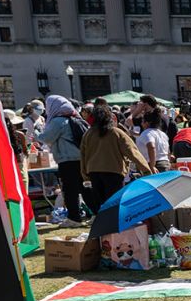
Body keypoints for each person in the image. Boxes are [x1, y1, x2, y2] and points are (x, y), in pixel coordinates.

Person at [81, 105, 150, 206]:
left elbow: (83, 156)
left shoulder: (88, 134)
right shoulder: (116, 133)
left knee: (102, 204)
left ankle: (105, 221)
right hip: (114, 173)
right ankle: (115, 221)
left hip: (94, 173)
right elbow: (132, 152)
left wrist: (85, 175)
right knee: (115, 203)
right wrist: (146, 170)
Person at [36, 95, 88, 225]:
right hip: (81, 158)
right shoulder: (75, 117)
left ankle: (74, 218)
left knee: (70, 190)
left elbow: (47, 138)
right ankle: (96, 213)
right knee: (85, 188)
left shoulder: (57, 121)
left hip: (67, 160)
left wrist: (36, 134)